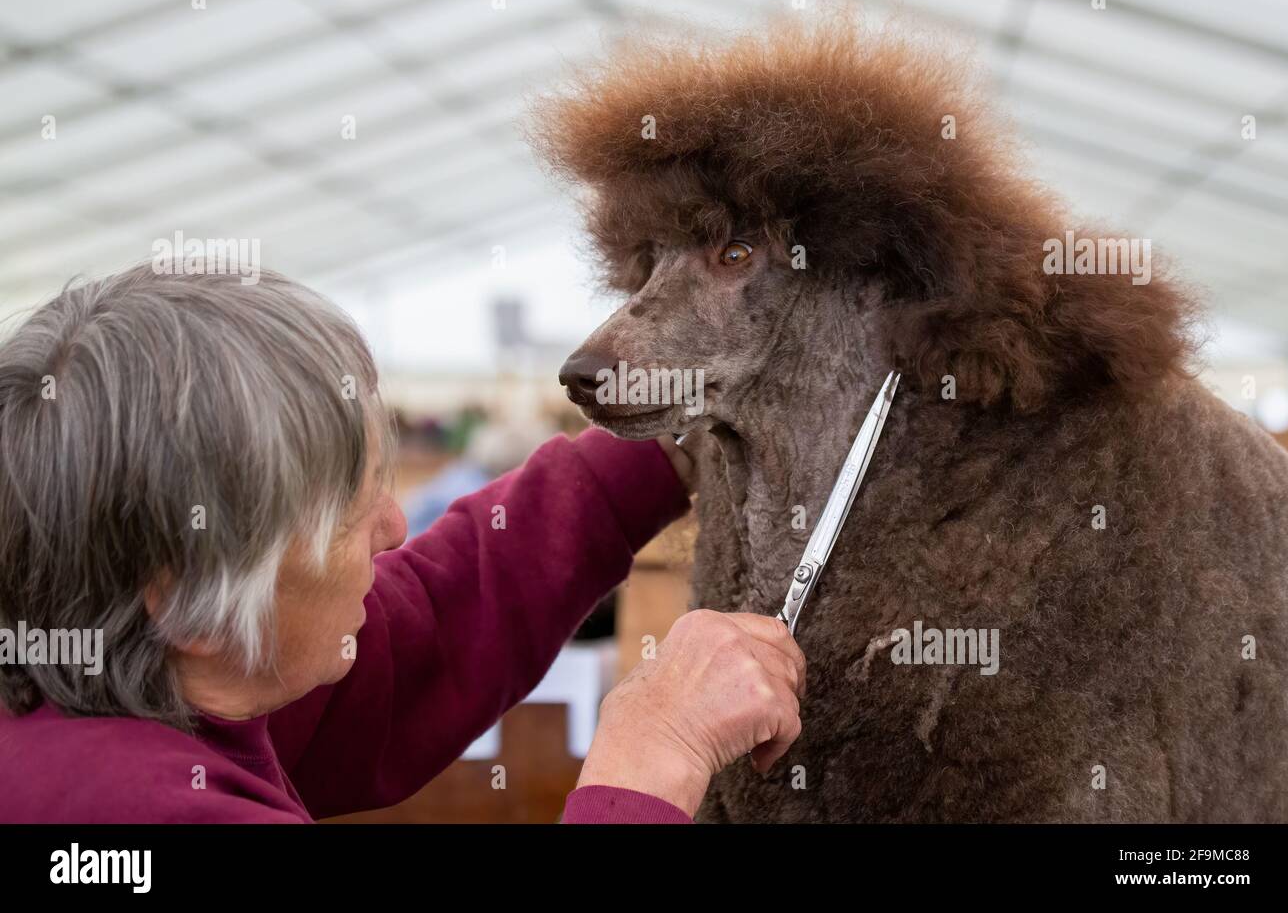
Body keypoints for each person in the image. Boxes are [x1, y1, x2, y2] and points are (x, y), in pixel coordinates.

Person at [0, 264, 804, 823]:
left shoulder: (147, 688)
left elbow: (429, 632)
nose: (392, 530)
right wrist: (651, 758)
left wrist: (658, 451)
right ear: (184, 599)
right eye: (347, 516)